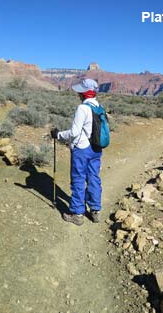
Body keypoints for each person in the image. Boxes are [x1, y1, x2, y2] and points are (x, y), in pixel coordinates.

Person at [51, 78, 103, 226]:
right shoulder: (99, 107)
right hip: (96, 148)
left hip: (82, 149)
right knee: (94, 178)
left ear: (85, 93)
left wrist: (58, 135)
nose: (78, 94)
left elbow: (74, 132)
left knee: (78, 179)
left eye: (80, 91)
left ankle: (77, 213)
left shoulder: (83, 108)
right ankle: (95, 211)